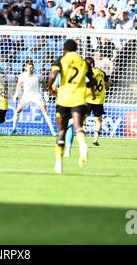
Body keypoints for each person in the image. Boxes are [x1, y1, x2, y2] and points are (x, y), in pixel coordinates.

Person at [48, 39, 95, 174]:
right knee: (78, 126)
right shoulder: (83, 62)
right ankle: (82, 144)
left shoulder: (61, 59)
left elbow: (53, 74)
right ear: (76, 49)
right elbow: (91, 81)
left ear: (65, 49)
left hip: (63, 98)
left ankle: (59, 163)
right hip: (79, 98)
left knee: (62, 130)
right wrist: (90, 91)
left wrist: (49, 87)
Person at [8, 59, 56, 136]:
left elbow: (43, 85)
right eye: (28, 67)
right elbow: (19, 85)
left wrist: (45, 93)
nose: (30, 69)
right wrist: (16, 94)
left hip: (36, 95)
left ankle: (52, 130)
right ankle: (14, 129)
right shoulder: (22, 76)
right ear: (26, 68)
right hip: (26, 95)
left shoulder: (38, 76)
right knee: (18, 111)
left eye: (31, 67)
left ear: (33, 68)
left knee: (45, 111)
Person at [85, 56, 111, 147]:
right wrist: (104, 86)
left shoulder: (87, 73)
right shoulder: (101, 72)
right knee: (98, 121)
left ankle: (82, 138)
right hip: (99, 100)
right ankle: (96, 139)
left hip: (88, 99)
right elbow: (109, 83)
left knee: (83, 119)